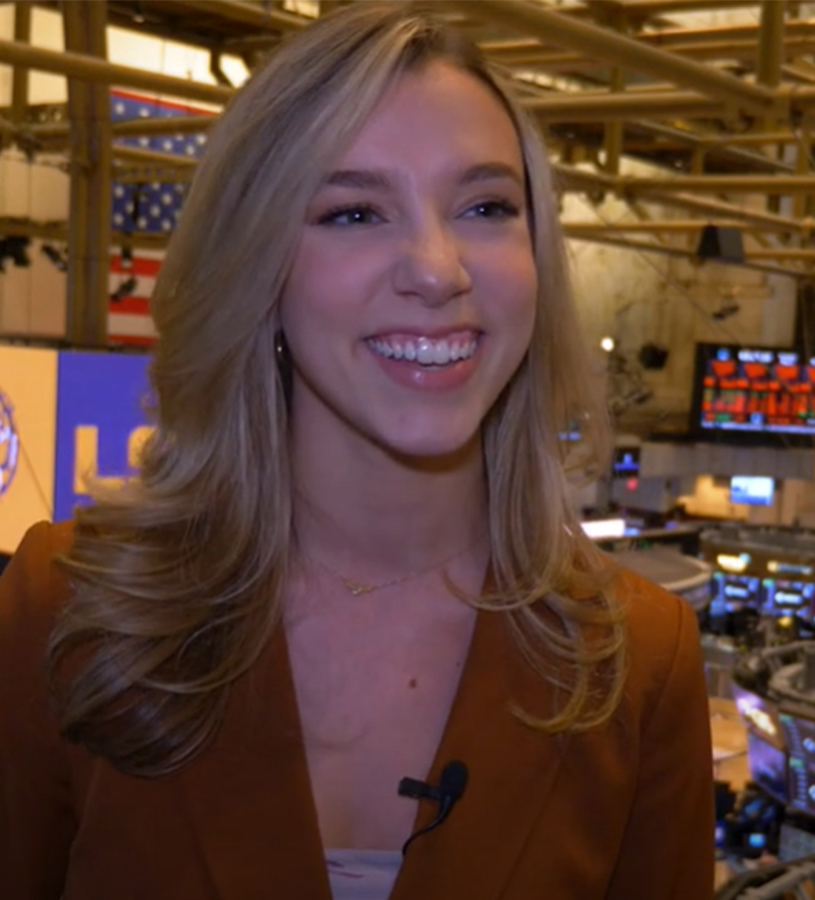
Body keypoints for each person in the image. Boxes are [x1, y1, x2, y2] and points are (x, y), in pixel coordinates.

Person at [0, 4, 714, 898]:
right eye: (354, 213)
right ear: (257, 262)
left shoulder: (639, 663)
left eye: (487, 206)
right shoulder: (65, 612)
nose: (437, 267)